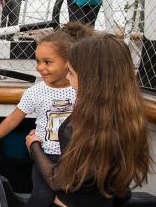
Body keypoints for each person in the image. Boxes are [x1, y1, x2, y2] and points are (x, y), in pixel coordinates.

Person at [0, 22, 93, 207]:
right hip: (45, 155)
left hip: (74, 157)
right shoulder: (35, 92)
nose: (39, 67)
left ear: (69, 63)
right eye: (37, 61)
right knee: (41, 199)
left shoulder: (81, 90)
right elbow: (14, 118)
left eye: (47, 62)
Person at [26, 34, 152, 207]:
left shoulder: (82, 125)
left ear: (91, 78)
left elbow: (57, 180)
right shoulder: (130, 118)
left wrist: (34, 146)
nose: (68, 78)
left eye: (71, 72)